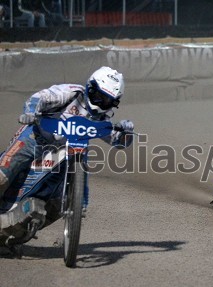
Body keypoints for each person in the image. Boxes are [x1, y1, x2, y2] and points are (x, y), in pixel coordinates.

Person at [0, 66, 134, 200]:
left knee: (59, 200)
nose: (101, 103)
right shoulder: (71, 93)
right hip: (34, 139)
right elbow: (40, 97)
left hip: (68, 153)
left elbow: (120, 142)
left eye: (107, 101)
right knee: (3, 175)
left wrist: (127, 132)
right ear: (90, 87)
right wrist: (30, 112)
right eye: (99, 96)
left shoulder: (101, 119)